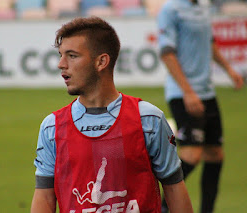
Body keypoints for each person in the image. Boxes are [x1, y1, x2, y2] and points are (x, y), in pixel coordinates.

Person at [31, 16, 193, 213]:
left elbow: (174, 188)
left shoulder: (148, 120)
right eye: (60, 55)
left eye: (72, 56)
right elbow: (44, 199)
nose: (61, 64)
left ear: (101, 61)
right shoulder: (52, 128)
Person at [157, 1, 245, 213]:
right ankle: (160, 206)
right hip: (183, 94)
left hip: (207, 93)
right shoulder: (171, 9)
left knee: (215, 154)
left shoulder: (204, 7)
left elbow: (209, 42)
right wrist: (188, 91)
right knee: (191, 155)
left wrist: (229, 69)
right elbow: (166, 53)